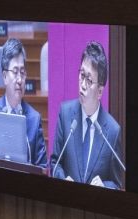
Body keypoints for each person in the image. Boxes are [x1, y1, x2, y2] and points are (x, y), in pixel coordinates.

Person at [50, 41, 123, 190]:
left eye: (89, 80)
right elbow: (54, 164)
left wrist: (104, 186)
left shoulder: (113, 131)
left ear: (100, 91)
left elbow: (116, 182)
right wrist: (63, 179)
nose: (82, 84)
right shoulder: (65, 114)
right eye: (82, 75)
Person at [0, 38, 47, 168]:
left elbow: (42, 166)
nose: (19, 79)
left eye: (22, 73)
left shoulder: (34, 118)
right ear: (5, 76)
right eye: (15, 72)